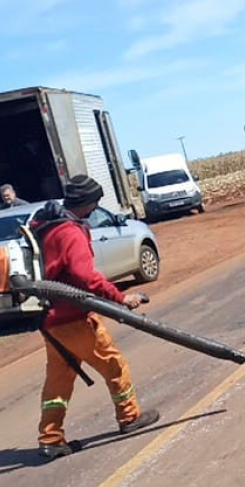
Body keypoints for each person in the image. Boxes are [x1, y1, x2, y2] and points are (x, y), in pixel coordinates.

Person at [30, 175, 159, 459]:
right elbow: (84, 276)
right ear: (89, 204)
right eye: (96, 202)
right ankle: (129, 417)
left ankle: (50, 438)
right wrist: (121, 297)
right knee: (114, 365)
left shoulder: (46, 228)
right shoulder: (70, 232)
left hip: (51, 321)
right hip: (74, 317)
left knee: (58, 383)